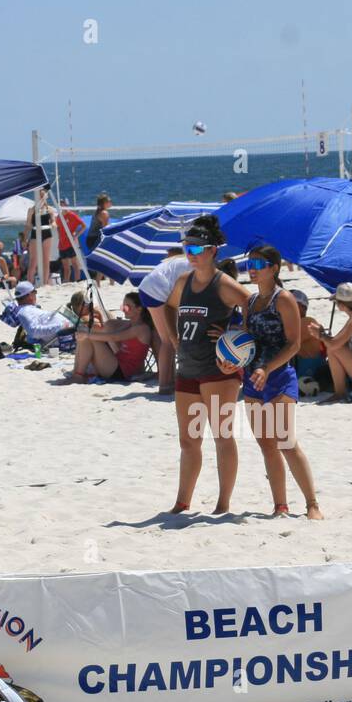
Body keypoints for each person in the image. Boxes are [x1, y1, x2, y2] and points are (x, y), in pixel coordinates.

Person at [222, 245, 321, 519]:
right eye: (249, 264)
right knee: (266, 445)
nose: (251, 269)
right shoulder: (251, 302)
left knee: (287, 442)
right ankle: (280, 506)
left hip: (278, 377)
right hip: (253, 379)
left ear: (274, 268)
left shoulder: (284, 299)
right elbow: (245, 342)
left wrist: (267, 368)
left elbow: (294, 344)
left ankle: (312, 504)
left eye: (258, 264)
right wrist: (230, 359)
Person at [163, 214, 252, 514]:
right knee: (188, 441)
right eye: (187, 248)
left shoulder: (224, 284)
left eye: (197, 249)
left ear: (213, 250)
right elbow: (167, 307)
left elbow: (253, 306)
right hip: (186, 368)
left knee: (222, 437)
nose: (191, 254)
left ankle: (223, 503)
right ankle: (182, 501)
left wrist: (237, 335)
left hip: (219, 371)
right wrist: (174, 339)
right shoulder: (183, 281)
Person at [69, 291, 152, 383]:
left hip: (124, 372)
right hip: (119, 364)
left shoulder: (141, 328)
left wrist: (87, 334)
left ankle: (78, 376)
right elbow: (108, 325)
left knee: (88, 338)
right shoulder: (130, 324)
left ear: (139, 309)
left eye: (126, 307)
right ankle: (76, 373)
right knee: (85, 336)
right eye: (122, 306)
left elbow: (114, 337)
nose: (123, 309)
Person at [138, 251, 190, 394]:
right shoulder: (199, 267)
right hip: (157, 289)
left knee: (167, 339)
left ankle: (168, 382)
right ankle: (165, 384)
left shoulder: (184, 260)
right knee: (168, 340)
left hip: (149, 287)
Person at [0, 280, 73, 350]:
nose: (35, 295)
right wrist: (60, 326)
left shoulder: (27, 309)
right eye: (34, 292)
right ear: (29, 295)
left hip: (67, 327)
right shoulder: (24, 312)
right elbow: (34, 331)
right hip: (66, 333)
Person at [85, 193, 112, 284]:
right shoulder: (104, 213)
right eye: (108, 201)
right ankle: (109, 282)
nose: (110, 202)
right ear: (104, 203)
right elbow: (106, 230)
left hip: (91, 238)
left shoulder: (98, 211)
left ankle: (100, 282)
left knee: (104, 259)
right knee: (108, 258)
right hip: (95, 238)